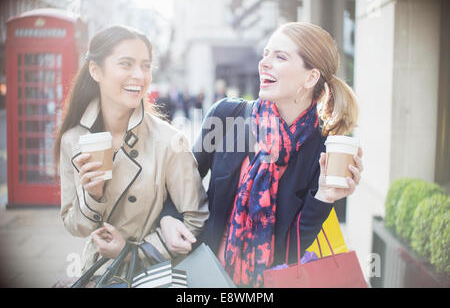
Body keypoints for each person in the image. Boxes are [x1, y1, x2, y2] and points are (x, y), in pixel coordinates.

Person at [159, 22, 363, 288]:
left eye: (280, 57)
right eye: (266, 53)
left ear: (310, 78)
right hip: (204, 277)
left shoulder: (324, 148)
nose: (264, 63)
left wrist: (324, 197)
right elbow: (183, 179)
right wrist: (167, 218)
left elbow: (291, 254)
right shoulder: (227, 115)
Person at [53, 26, 208, 285]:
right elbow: (74, 226)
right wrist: (92, 195)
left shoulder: (169, 140)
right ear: (95, 70)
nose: (139, 75)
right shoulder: (73, 140)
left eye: (145, 66)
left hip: (154, 276)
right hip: (97, 274)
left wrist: (131, 252)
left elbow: (196, 218)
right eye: (126, 64)